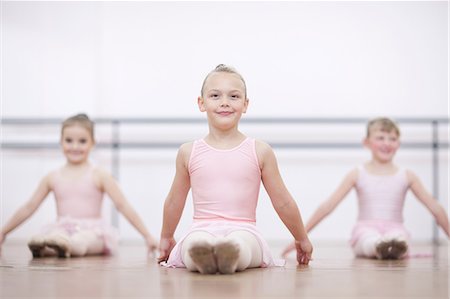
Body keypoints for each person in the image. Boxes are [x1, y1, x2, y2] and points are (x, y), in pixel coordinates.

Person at [157, 64, 312, 274]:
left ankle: (230, 254)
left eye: (234, 96)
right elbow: (175, 200)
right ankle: (204, 257)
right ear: (201, 103)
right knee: (194, 244)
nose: (224, 103)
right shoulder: (188, 152)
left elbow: (283, 202)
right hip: (201, 228)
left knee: (243, 244)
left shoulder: (260, 151)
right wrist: (166, 236)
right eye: (215, 95)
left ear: (245, 104)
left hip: (244, 229)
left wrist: (301, 237)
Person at [282, 117, 450, 260]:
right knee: (366, 240)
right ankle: (379, 247)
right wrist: (300, 236)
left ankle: (393, 246)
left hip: (395, 228)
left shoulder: (406, 175)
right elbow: (327, 207)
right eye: (381, 138)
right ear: (367, 142)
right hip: (366, 228)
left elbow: (435, 207)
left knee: (400, 238)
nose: (387, 143)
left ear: (399, 143)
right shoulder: (358, 173)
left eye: (392, 138)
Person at [0, 114, 158, 258]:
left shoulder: (99, 175)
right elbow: (29, 206)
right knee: (56, 235)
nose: (75, 146)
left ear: (92, 143)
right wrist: (3, 232)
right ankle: (46, 246)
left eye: (82, 141)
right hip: (63, 229)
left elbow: (123, 205)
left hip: (94, 232)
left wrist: (147, 236)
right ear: (61, 142)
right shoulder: (52, 177)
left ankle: (59, 246)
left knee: (82, 240)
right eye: (69, 141)